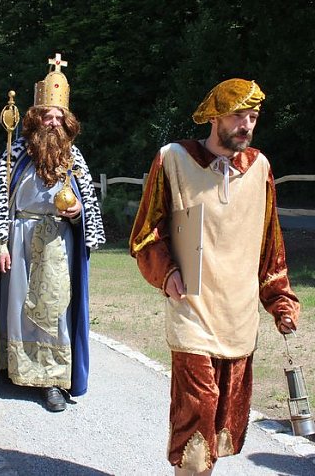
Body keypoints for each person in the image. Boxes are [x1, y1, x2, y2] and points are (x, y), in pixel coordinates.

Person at [129, 78, 300, 475]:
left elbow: (269, 245)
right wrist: (166, 271)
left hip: (239, 318)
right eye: (239, 115)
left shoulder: (260, 168)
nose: (247, 125)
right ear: (215, 117)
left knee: (222, 423)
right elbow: (146, 234)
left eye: (253, 117)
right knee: (197, 415)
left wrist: (280, 302)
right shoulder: (173, 159)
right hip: (191, 311)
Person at [0, 55, 105, 412]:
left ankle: (52, 381)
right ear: (35, 118)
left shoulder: (75, 159)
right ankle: (13, 369)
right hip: (18, 237)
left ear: (68, 121)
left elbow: (88, 206)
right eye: (48, 115)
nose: (54, 122)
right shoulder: (14, 154)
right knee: (15, 308)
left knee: (54, 310)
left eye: (60, 117)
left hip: (58, 243)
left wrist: (78, 212)